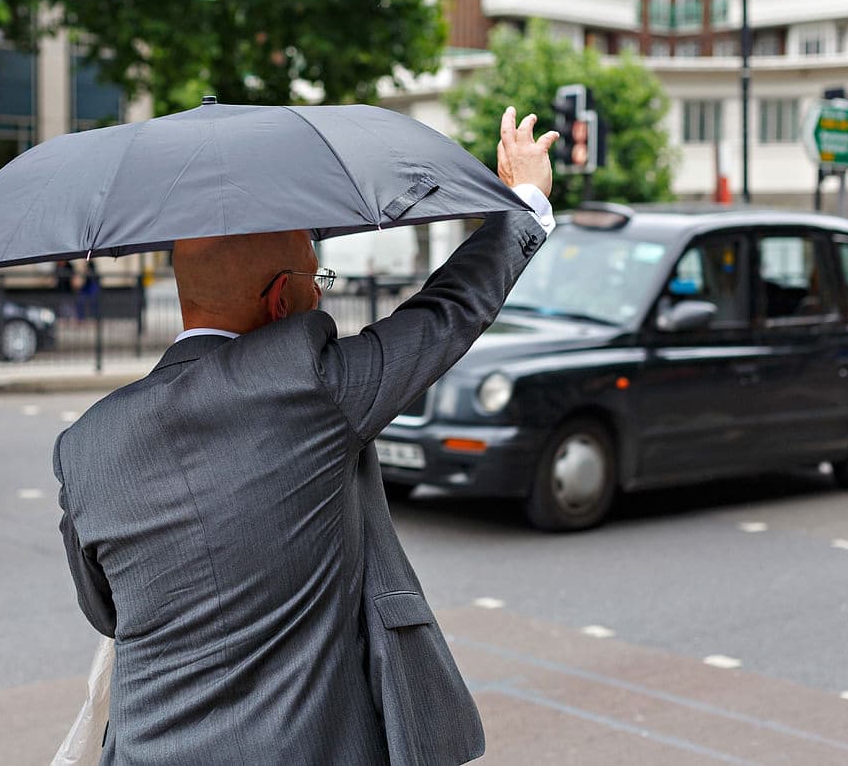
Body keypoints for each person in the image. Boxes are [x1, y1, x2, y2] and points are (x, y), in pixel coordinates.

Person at [53, 107, 558, 765]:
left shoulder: (86, 445)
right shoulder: (311, 388)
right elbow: (449, 311)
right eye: (317, 281)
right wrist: (526, 201)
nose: (321, 295)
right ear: (281, 301)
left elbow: (107, 614)